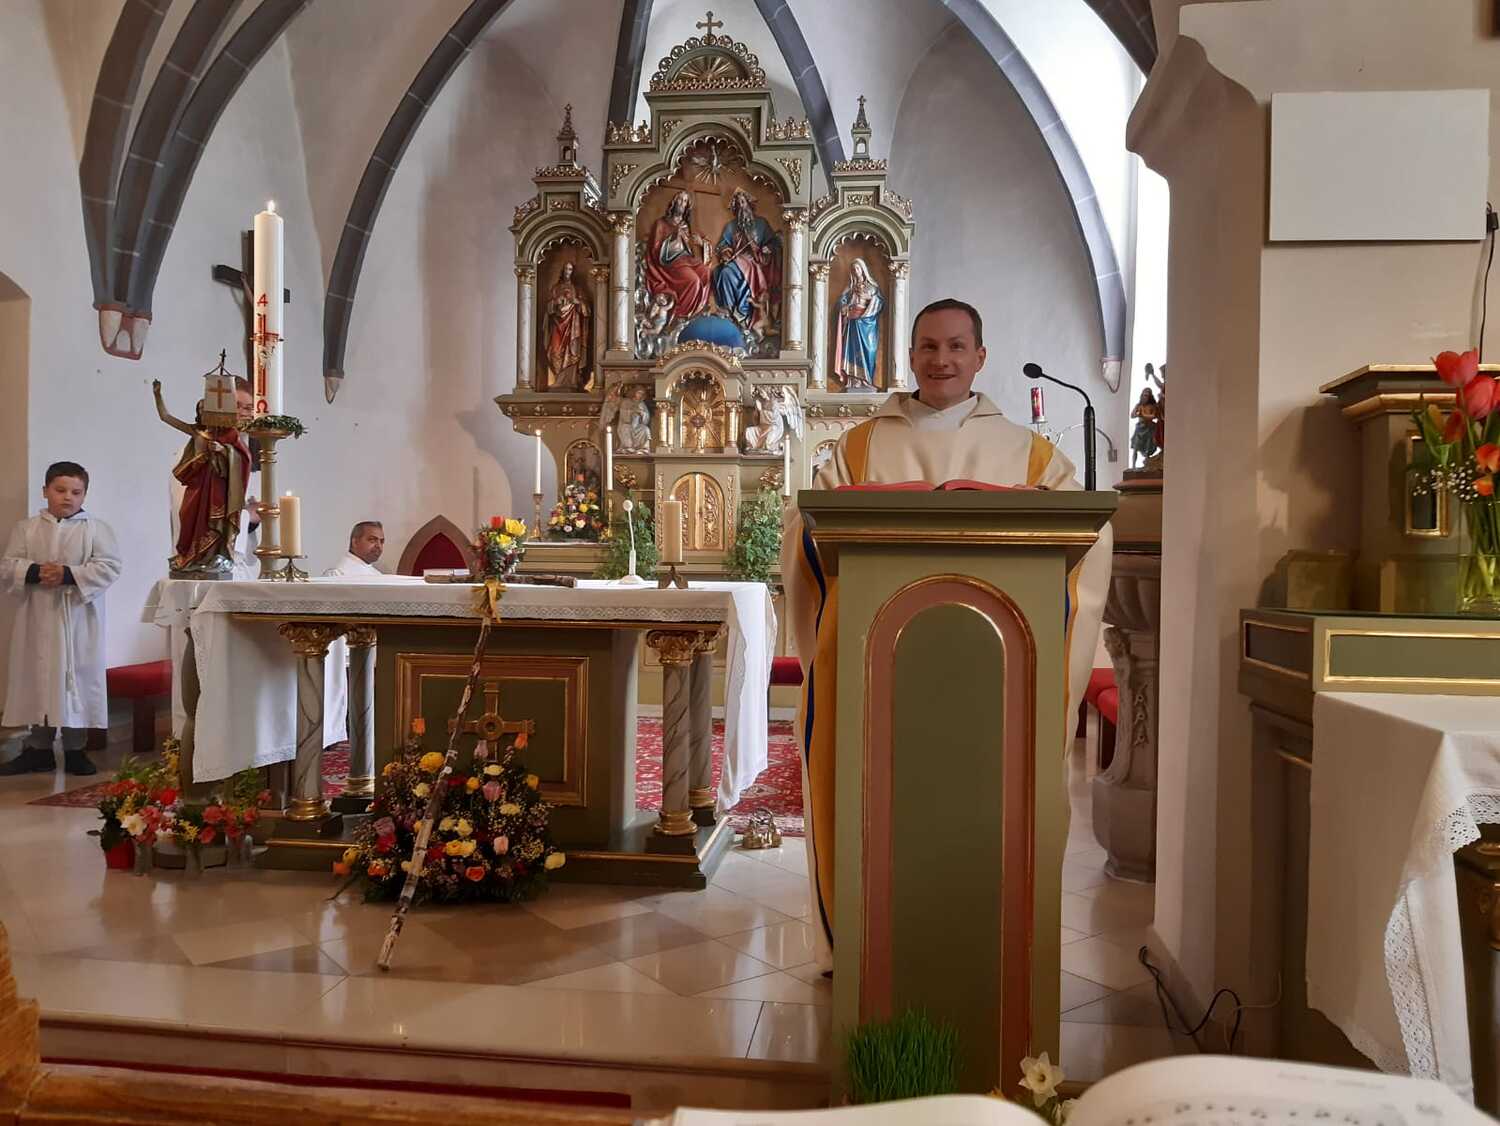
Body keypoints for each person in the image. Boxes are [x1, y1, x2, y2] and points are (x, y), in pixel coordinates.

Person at [780, 299, 1113, 969]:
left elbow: (1088, 538)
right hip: (877, 668)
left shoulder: (1031, 455)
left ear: (980, 357)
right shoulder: (860, 446)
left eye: (957, 346)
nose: (942, 360)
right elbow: (805, 534)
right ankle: (863, 945)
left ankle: (993, 948)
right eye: (929, 346)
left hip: (990, 675)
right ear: (910, 354)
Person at [1, 462, 123, 776]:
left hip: (78, 619)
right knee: (38, 677)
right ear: (45, 491)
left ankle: (75, 750)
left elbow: (109, 566)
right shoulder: (27, 528)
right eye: (60, 490)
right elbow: (8, 565)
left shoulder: (96, 529)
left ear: (84, 495)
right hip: (36, 617)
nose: (68, 497)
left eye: (76, 492)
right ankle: (38, 749)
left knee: (74, 680)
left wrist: (68, 574)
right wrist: (34, 571)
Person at [322, 521, 385, 749]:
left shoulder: (377, 575)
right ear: (354, 541)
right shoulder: (338, 574)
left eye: (381, 541)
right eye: (372, 539)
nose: (378, 546)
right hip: (346, 652)